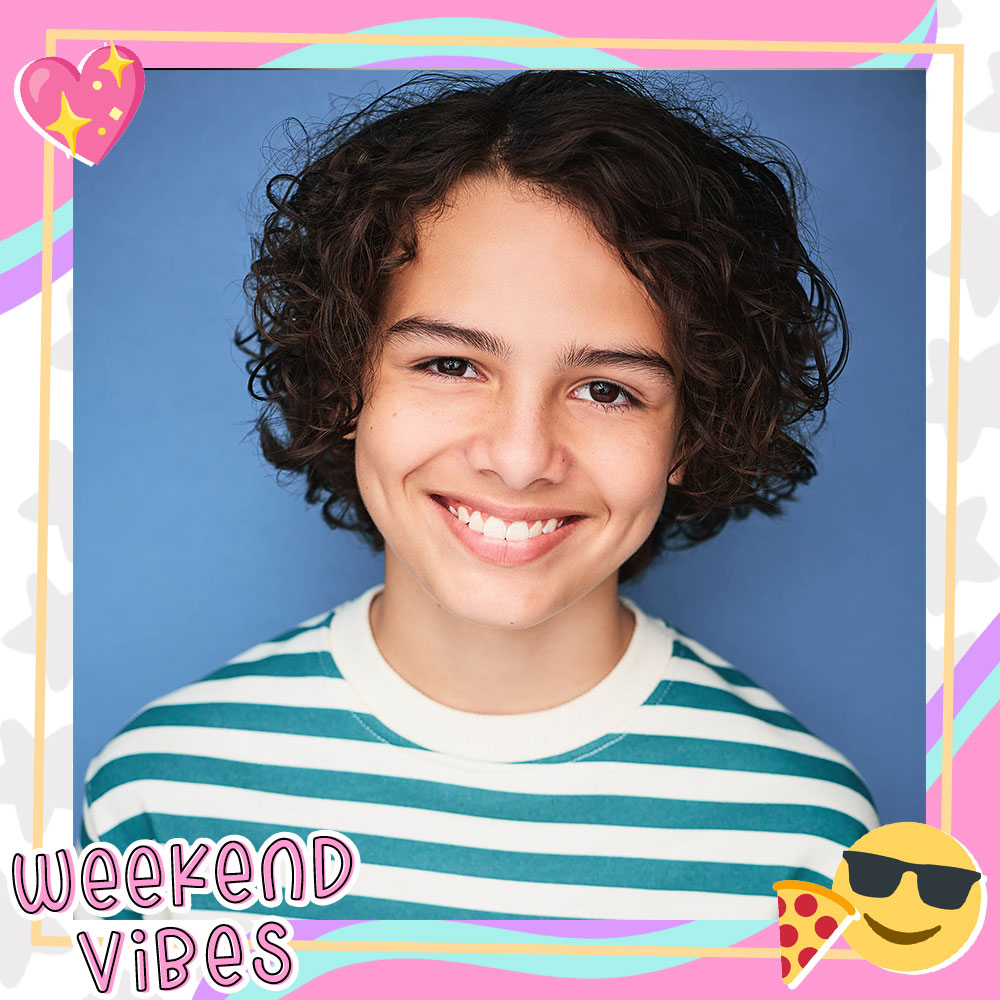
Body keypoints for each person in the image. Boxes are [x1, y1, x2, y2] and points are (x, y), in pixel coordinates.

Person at [81, 70, 879, 920]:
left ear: (691, 430)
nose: (521, 456)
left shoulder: (811, 841)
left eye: (607, 389)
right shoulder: (162, 798)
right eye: (451, 365)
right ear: (345, 384)